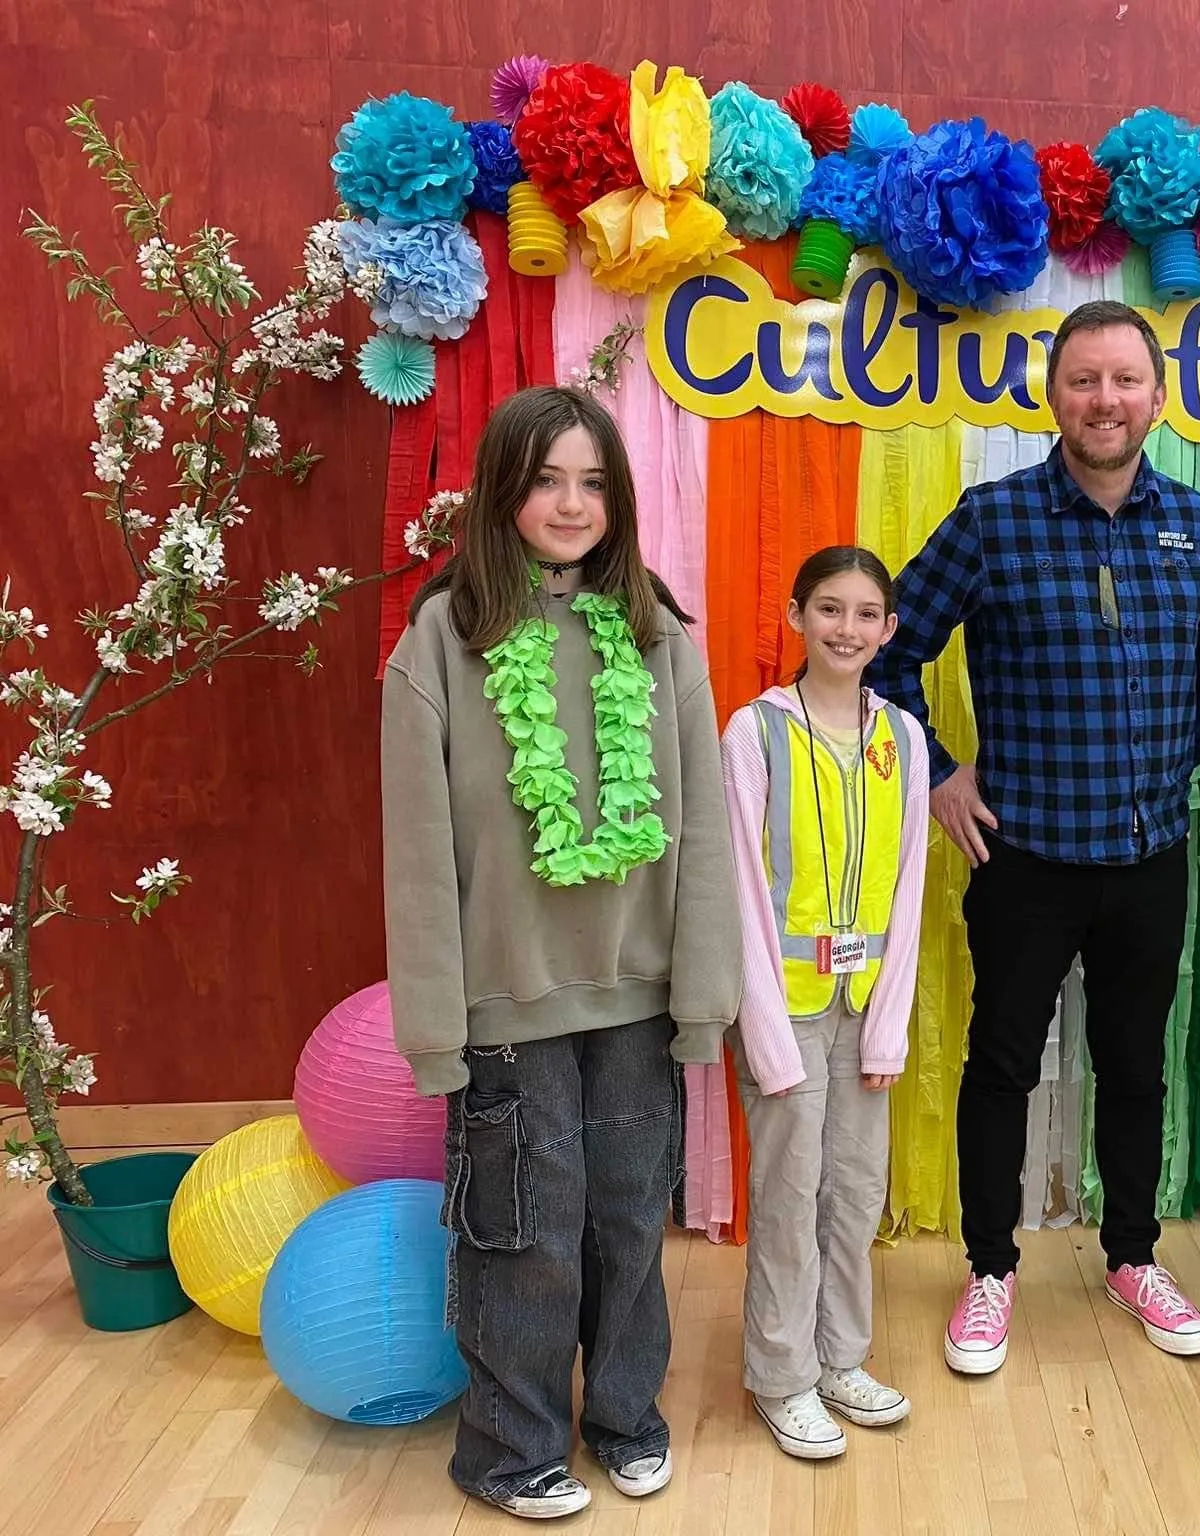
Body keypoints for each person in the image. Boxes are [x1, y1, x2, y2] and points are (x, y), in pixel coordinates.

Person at [382, 386, 740, 1519]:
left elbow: (701, 835)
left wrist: (702, 995)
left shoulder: (657, 633)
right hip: (506, 1003)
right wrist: (438, 1026)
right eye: (546, 479)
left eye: (592, 481)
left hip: (635, 1003)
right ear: (502, 490)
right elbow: (418, 850)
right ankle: (508, 1451)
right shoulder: (442, 639)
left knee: (631, 1222)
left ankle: (627, 1417)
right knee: (523, 1234)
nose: (570, 503)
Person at [867, 299, 1200, 1373]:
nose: (1104, 400)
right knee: (1001, 1066)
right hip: (1021, 857)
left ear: (1156, 397)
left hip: (1148, 858)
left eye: (1124, 380)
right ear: (1053, 396)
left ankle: (1131, 1257)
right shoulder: (991, 520)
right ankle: (989, 1271)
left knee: (1132, 1068)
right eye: (1083, 381)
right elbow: (888, 651)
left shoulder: (1196, 528)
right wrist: (938, 775)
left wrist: (1156, 779)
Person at [721, 546, 928, 1460]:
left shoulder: (903, 739)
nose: (848, 629)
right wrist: (766, 1039)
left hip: (864, 1009)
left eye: (866, 614)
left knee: (853, 1191)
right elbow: (737, 891)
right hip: (786, 1011)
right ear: (795, 617)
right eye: (830, 610)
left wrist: (888, 1023)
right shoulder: (754, 732)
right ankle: (781, 1375)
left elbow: (911, 883)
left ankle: (841, 1357)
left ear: (888, 629)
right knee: (787, 1192)